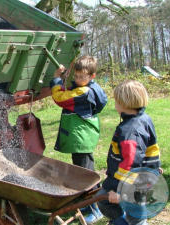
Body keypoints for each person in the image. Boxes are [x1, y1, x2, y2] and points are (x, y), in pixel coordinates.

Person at [50, 55, 107, 224]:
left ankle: (95, 209)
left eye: (83, 77)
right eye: (76, 76)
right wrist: (67, 78)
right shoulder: (92, 88)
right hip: (83, 136)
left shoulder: (83, 92)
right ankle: (86, 203)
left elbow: (60, 98)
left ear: (92, 76)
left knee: (85, 174)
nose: (78, 79)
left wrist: (56, 79)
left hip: (80, 138)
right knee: (83, 170)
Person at [96, 80, 161, 225]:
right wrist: (154, 166)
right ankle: (123, 220)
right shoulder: (144, 119)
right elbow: (150, 147)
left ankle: (124, 221)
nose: (115, 104)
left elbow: (131, 162)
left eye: (116, 101)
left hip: (132, 182)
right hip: (140, 177)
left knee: (130, 213)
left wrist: (121, 192)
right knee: (105, 199)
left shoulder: (130, 131)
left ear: (123, 104)